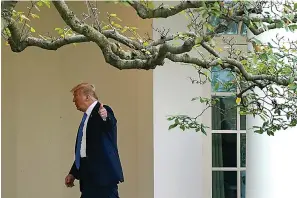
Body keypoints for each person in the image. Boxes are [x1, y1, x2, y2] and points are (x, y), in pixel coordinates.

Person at [64, 83, 124, 198]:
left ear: (87, 97)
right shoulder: (86, 118)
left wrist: (105, 116)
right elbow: (84, 150)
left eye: (76, 95)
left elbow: (110, 123)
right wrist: (73, 173)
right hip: (89, 178)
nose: (73, 100)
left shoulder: (103, 110)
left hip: (103, 177)